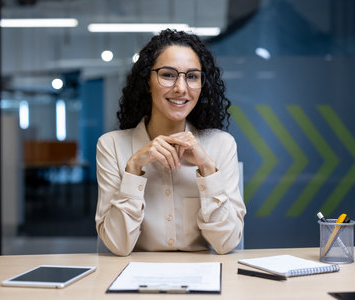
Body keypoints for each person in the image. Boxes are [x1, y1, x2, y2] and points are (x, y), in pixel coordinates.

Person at [95, 29, 246, 256]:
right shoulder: (112, 146)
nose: (181, 88)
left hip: (204, 279)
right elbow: (117, 245)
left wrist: (207, 168)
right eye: (168, 75)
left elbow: (226, 243)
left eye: (192, 76)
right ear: (147, 81)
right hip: (131, 279)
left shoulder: (221, 145)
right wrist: (133, 168)